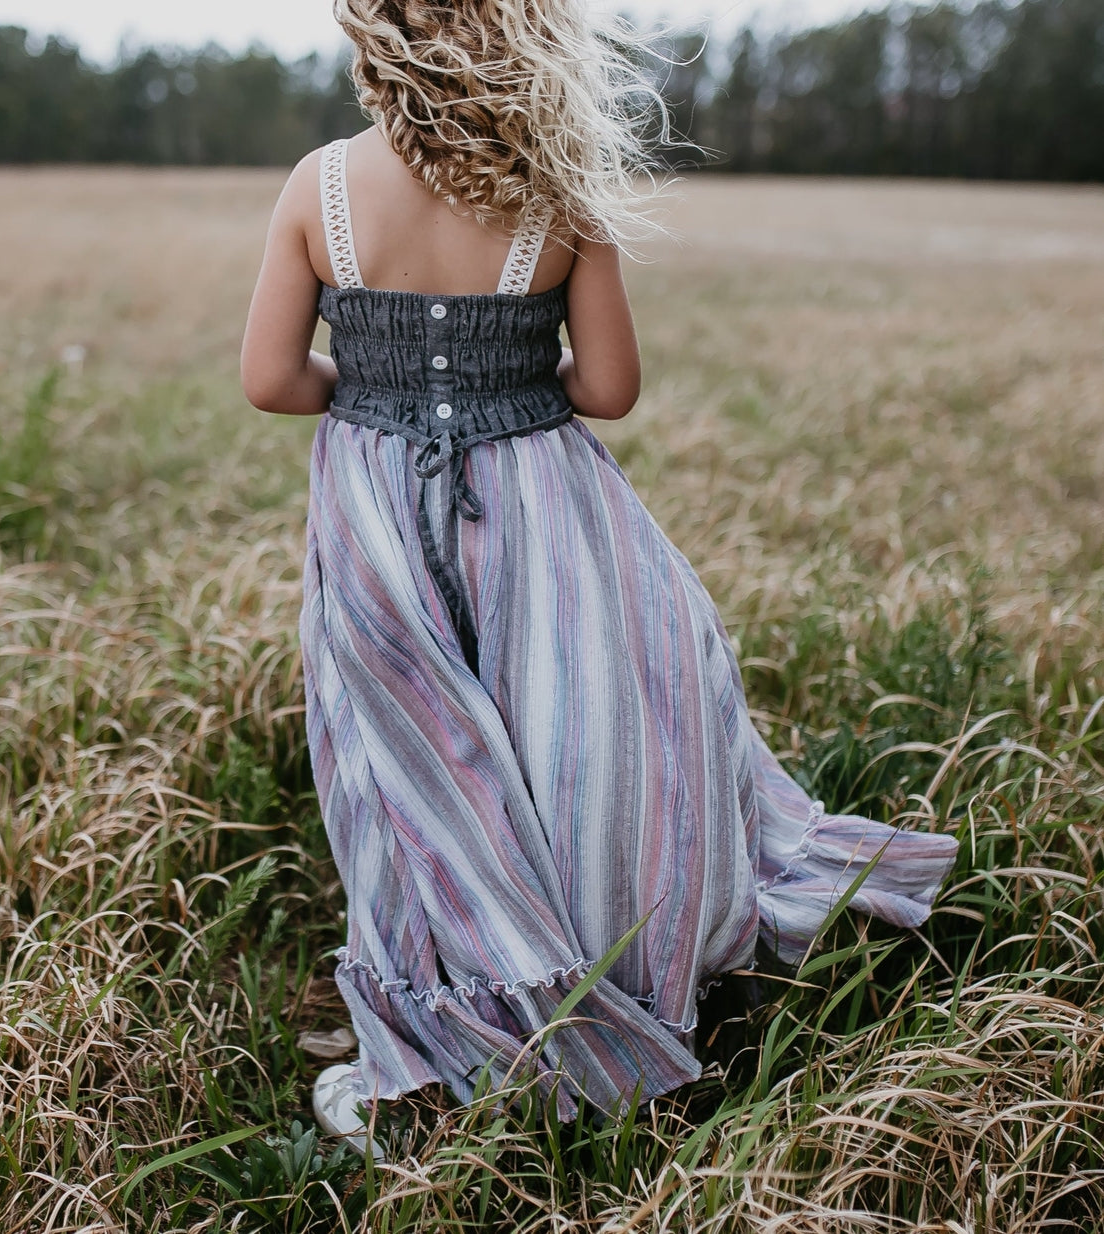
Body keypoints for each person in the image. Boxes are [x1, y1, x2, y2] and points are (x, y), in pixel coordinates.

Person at [240, 0, 960, 1155]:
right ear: (532, 40)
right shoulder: (557, 195)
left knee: (410, 773)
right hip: (542, 506)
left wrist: (375, 404)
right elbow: (611, 385)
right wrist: (502, 386)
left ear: (376, 39)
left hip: (374, 518)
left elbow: (271, 378)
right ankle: (602, 976)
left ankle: (441, 1024)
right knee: (574, 746)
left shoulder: (319, 183)